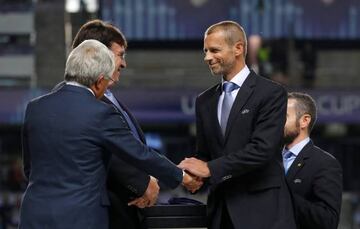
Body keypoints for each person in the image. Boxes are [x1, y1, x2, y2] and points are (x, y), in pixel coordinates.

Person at [20, 39, 200, 229]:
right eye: (107, 81)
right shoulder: (100, 112)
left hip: (34, 216)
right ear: (99, 81)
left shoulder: (35, 108)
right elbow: (140, 154)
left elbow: (29, 168)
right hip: (80, 218)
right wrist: (183, 177)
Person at [178, 21, 296, 229]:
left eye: (214, 50)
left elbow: (262, 150)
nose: (207, 58)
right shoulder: (204, 100)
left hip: (262, 213)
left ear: (239, 48)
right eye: (205, 51)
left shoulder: (271, 93)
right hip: (220, 213)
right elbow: (205, 153)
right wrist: (192, 174)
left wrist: (209, 169)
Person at [69, 19, 163, 229]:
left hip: (125, 213)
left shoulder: (109, 98)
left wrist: (148, 180)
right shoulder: (84, 102)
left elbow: (133, 150)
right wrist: (142, 184)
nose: (124, 63)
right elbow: (111, 155)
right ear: (97, 53)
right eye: (120, 54)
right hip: (102, 216)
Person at [283, 92, 343, 229]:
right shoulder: (269, 160)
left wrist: (282, 194)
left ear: (304, 120)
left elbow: (328, 221)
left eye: (283, 116)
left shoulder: (324, 163)